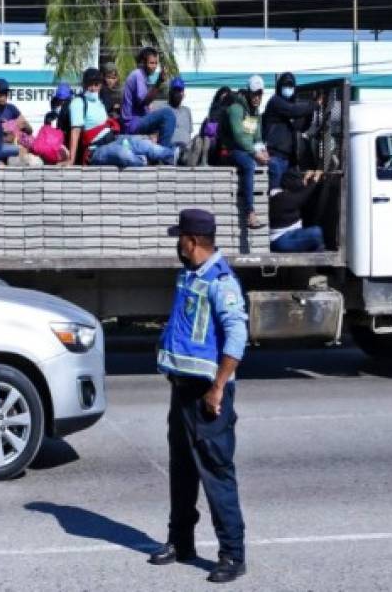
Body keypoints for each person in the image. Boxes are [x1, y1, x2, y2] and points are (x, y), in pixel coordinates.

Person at [150, 208, 248, 585]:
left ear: (191, 241)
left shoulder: (221, 282)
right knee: (182, 472)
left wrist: (218, 388)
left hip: (209, 396)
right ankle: (181, 542)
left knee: (217, 475)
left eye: (180, 238)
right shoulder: (190, 275)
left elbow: (237, 338)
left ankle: (233, 555)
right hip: (183, 391)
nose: (177, 243)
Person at [69, 67, 173, 168]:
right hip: (95, 150)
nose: (92, 88)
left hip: (114, 140)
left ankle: (175, 154)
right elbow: (75, 131)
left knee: (144, 145)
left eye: (96, 84)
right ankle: (144, 162)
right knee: (123, 154)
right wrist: (71, 159)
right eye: (89, 84)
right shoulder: (78, 102)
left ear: (100, 85)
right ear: (84, 85)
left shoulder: (99, 102)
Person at [217, 75, 269, 230]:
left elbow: (257, 137)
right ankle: (250, 213)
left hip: (245, 151)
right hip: (228, 151)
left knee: (270, 163)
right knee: (248, 164)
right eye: (254, 93)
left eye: (260, 94)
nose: (257, 97)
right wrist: (255, 153)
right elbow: (239, 136)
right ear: (248, 92)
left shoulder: (255, 112)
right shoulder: (236, 109)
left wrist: (263, 151)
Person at [262, 72, 317, 188]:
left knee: (295, 188)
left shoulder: (290, 106)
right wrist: (313, 105)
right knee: (275, 193)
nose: (288, 88)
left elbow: (301, 127)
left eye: (291, 86)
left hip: (289, 159)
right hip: (275, 156)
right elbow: (293, 110)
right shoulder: (275, 102)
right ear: (279, 87)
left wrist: (309, 113)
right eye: (285, 85)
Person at [121, 47, 176, 149]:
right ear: (143, 62)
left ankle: (164, 150)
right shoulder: (138, 75)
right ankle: (164, 153)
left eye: (156, 63)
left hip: (139, 120)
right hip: (133, 124)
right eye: (151, 63)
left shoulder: (144, 77)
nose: (154, 67)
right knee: (168, 114)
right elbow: (144, 101)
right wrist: (159, 82)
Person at [268, 169, 326, 252]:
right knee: (316, 232)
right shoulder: (282, 199)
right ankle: (318, 260)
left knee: (316, 243)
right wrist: (315, 179)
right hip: (282, 240)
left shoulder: (276, 194)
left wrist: (306, 179)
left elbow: (299, 193)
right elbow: (303, 195)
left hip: (289, 236)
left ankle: (316, 258)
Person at [162, 77, 193, 163]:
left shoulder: (187, 111)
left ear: (183, 93)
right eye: (175, 90)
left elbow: (189, 132)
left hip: (186, 147)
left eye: (180, 91)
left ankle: (188, 156)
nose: (178, 93)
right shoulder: (163, 109)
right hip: (170, 147)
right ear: (170, 92)